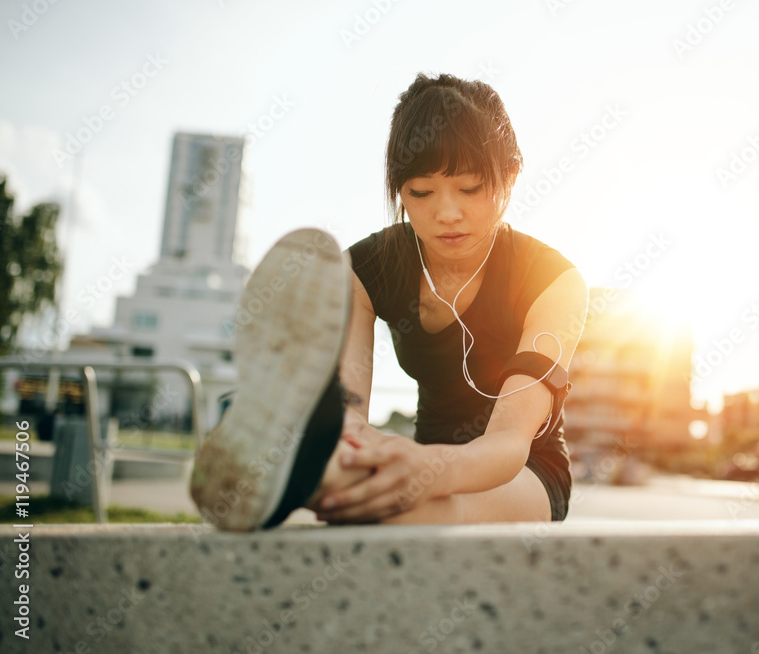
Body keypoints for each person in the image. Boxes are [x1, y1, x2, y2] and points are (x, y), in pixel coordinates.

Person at [189, 72, 589, 531]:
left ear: (511, 177)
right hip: (419, 456)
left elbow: (509, 442)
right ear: (399, 189)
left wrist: (424, 471)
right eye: (420, 193)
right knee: (380, 496)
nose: (446, 213)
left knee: (433, 512)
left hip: (524, 472)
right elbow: (352, 410)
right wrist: (365, 448)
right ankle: (311, 466)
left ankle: (305, 479)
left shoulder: (554, 281)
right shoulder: (362, 270)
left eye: (470, 188)